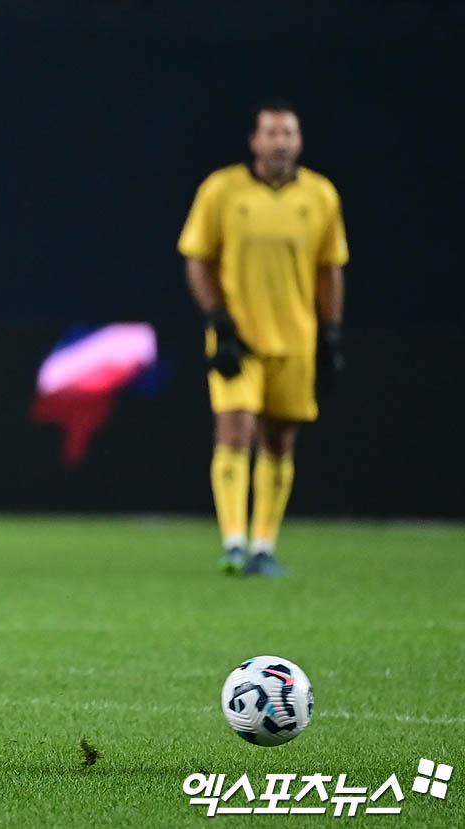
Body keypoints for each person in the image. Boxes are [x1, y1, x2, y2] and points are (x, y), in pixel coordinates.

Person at [177, 100, 347, 576]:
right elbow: (197, 258)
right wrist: (218, 321)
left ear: (300, 141)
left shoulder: (320, 195)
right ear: (254, 141)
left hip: (295, 339)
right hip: (238, 338)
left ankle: (263, 547)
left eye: (288, 133)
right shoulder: (222, 190)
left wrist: (331, 335)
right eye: (271, 133)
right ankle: (234, 542)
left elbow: (330, 268)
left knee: (279, 440)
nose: (280, 142)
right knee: (235, 427)